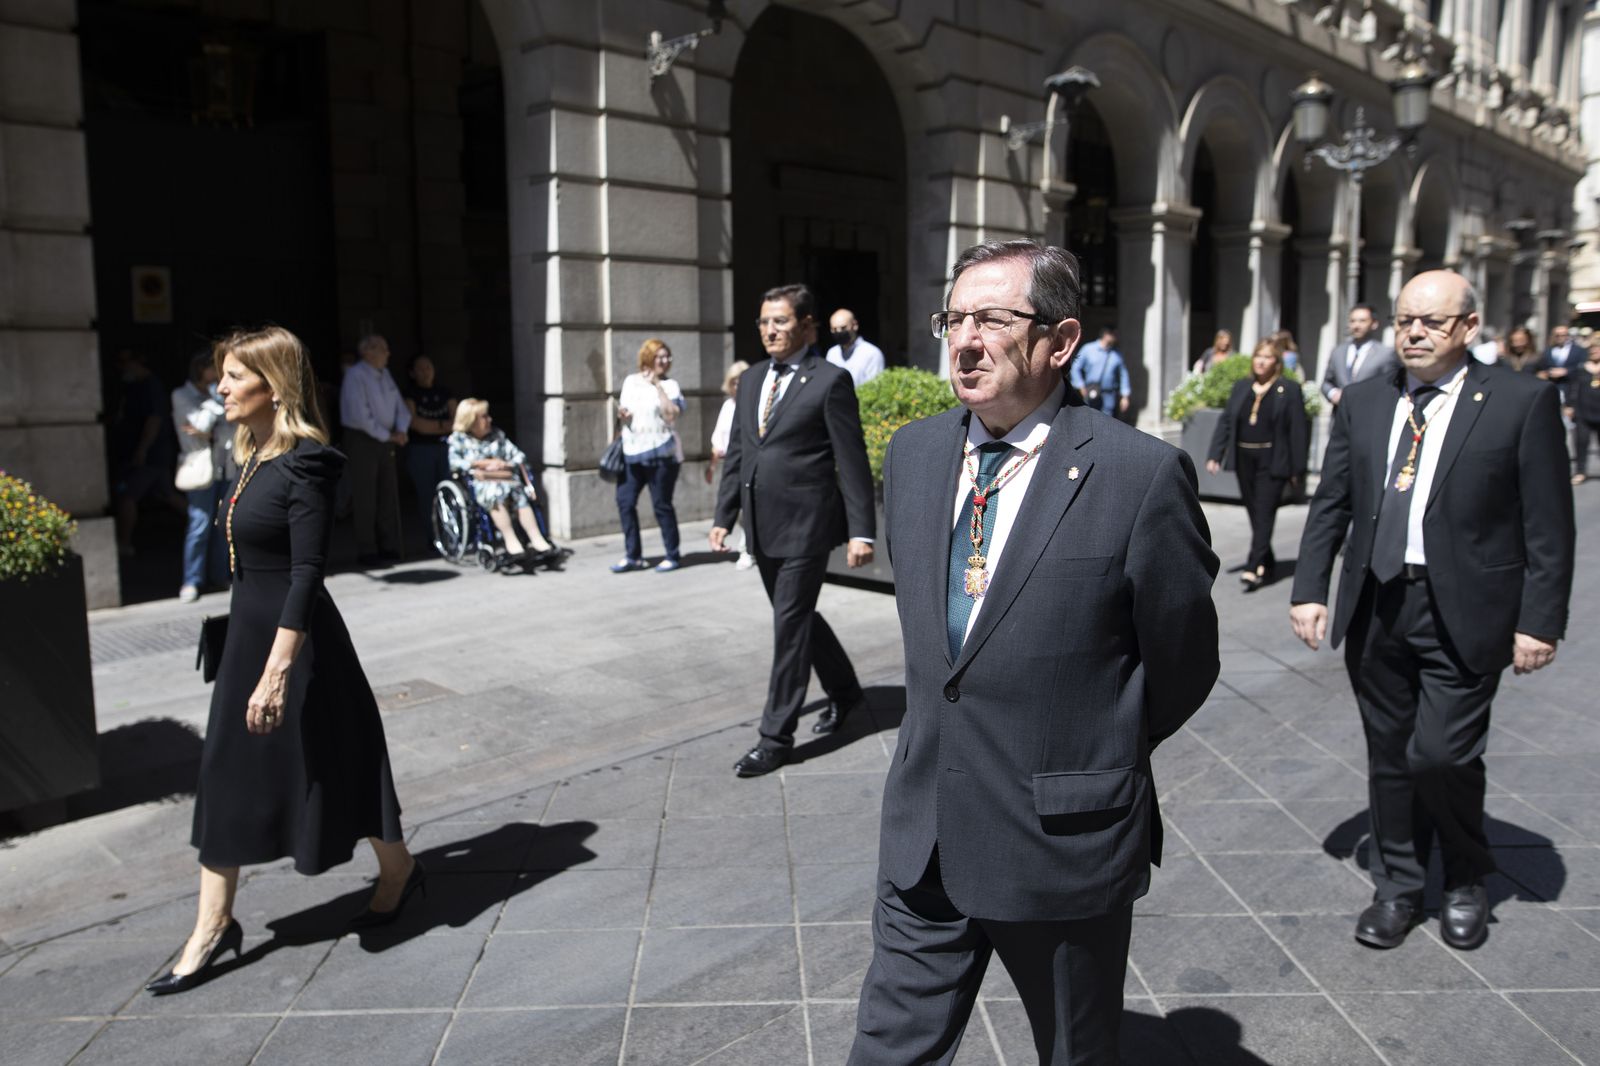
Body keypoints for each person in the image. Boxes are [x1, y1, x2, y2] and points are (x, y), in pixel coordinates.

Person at [850, 240, 1219, 1065]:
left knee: (1074, 1053)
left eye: (993, 318)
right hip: (928, 834)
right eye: (954, 317)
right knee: (885, 1050)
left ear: (1060, 341)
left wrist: (1090, 750)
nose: (964, 339)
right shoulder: (914, 456)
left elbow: (1184, 660)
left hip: (1063, 841)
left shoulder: (1139, 475)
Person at [1289, 270, 1574, 953]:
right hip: (1379, 603)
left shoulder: (1519, 402)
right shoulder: (1362, 401)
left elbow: (1548, 527)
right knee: (1390, 757)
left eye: (1431, 322)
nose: (1413, 333)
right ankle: (1399, 886)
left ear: (1469, 328)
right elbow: (1333, 502)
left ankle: (1468, 875)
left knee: (1441, 755)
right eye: (1405, 320)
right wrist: (1308, 587)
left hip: (1468, 609)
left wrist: (1540, 621)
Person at [146, 326, 421, 998]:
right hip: (246, 639)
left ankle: (398, 872)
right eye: (223, 376)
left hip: (298, 646)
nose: (223, 387)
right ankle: (212, 924)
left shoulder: (309, 462)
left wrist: (276, 671)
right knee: (225, 774)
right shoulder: (249, 456)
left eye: (236, 377)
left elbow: (305, 573)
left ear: (274, 386)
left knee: (342, 764)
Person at [710, 283, 876, 774]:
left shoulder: (829, 380)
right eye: (764, 321)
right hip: (761, 526)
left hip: (807, 526)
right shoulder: (753, 379)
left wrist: (862, 531)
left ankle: (775, 738)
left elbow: (852, 460)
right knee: (797, 618)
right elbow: (740, 454)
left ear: (807, 325)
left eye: (779, 321)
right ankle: (846, 692)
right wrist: (723, 517)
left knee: (788, 627)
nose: (769, 330)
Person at [1206, 339, 1309, 590]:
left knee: (1264, 510)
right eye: (1258, 356)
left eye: (1268, 357)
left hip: (1272, 460)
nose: (1261, 361)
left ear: (1277, 363)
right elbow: (1228, 421)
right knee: (1254, 511)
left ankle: (1253, 566)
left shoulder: (1289, 389)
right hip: (1244, 458)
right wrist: (1215, 454)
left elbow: (1297, 430)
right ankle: (1268, 558)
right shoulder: (1242, 387)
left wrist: (1297, 469)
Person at [447, 399, 559, 567]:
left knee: (519, 494)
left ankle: (536, 539)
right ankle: (511, 541)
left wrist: (504, 464)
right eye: (484, 417)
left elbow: (519, 456)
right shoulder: (458, 440)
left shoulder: (497, 436)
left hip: (506, 480)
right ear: (471, 420)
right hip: (482, 485)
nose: (489, 419)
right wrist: (480, 463)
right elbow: (455, 463)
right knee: (495, 492)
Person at [612, 338, 685, 573]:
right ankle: (633, 556)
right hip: (632, 452)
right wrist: (622, 414)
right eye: (660, 356)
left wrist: (658, 387)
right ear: (648, 357)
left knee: (661, 505)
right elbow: (625, 412)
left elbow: (671, 415)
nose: (665, 361)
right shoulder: (631, 382)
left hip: (662, 454)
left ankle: (672, 554)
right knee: (625, 502)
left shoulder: (671, 385)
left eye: (667, 356)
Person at [339, 334, 410, 567]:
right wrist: (386, 435)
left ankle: (389, 544)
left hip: (386, 438)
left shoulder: (385, 374)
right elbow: (360, 414)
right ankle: (367, 548)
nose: (388, 354)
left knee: (387, 492)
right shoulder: (355, 375)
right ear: (368, 352)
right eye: (383, 349)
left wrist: (400, 429)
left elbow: (399, 406)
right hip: (363, 439)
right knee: (366, 496)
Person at [171, 351, 231, 602]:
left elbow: (228, 428)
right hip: (201, 469)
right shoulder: (182, 395)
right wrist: (215, 402)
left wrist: (209, 424)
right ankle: (191, 580)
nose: (218, 376)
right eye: (212, 369)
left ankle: (221, 575)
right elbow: (200, 427)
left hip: (225, 466)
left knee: (222, 525)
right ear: (200, 370)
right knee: (200, 524)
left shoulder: (216, 394)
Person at [112, 349, 179, 558]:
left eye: (124, 362)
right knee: (166, 494)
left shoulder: (151, 387)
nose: (121, 367)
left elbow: (154, 420)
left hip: (150, 455)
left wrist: (142, 449)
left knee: (128, 497)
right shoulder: (132, 387)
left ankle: (124, 543)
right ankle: (212, 525)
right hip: (144, 453)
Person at [707, 359, 756, 571]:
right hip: (731, 465)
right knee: (734, 510)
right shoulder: (728, 406)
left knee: (748, 511)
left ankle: (747, 549)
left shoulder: (755, 405)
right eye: (734, 382)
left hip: (751, 466)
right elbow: (718, 438)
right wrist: (711, 465)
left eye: (741, 382)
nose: (738, 386)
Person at [403, 355, 456, 533]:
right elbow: (415, 424)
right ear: (412, 373)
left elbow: (456, 421)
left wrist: (432, 426)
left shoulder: (445, 392)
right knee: (426, 494)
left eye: (429, 367)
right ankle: (434, 534)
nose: (426, 372)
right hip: (420, 448)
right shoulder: (410, 394)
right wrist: (442, 426)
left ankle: (453, 532)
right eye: (421, 368)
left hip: (445, 447)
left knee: (450, 490)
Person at [1320, 304, 1397, 407]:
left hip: (1369, 413)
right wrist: (1333, 393)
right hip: (1339, 414)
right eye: (1353, 321)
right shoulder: (1338, 352)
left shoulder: (1386, 354)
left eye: (1362, 321)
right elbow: (1326, 382)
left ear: (1374, 324)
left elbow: (1390, 387)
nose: (1356, 326)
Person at [1068, 324, 1132, 417]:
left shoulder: (1116, 354)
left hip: (1109, 395)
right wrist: (1080, 385)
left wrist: (1125, 396)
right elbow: (1075, 367)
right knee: (1090, 418)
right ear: (1106, 335)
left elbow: (1123, 375)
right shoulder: (1088, 349)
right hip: (1091, 391)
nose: (1117, 338)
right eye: (1115, 335)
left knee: (1107, 422)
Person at [825, 308, 886, 388]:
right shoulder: (832, 353)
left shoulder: (871, 353)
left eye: (843, 328)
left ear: (855, 325)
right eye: (834, 329)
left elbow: (875, 388)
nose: (839, 332)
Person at [1570, 329, 1600, 485]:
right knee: (1581, 442)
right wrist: (1570, 406)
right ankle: (1581, 471)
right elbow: (1573, 388)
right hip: (1583, 411)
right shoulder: (1581, 368)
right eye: (1592, 349)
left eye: (1597, 348)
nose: (1594, 351)